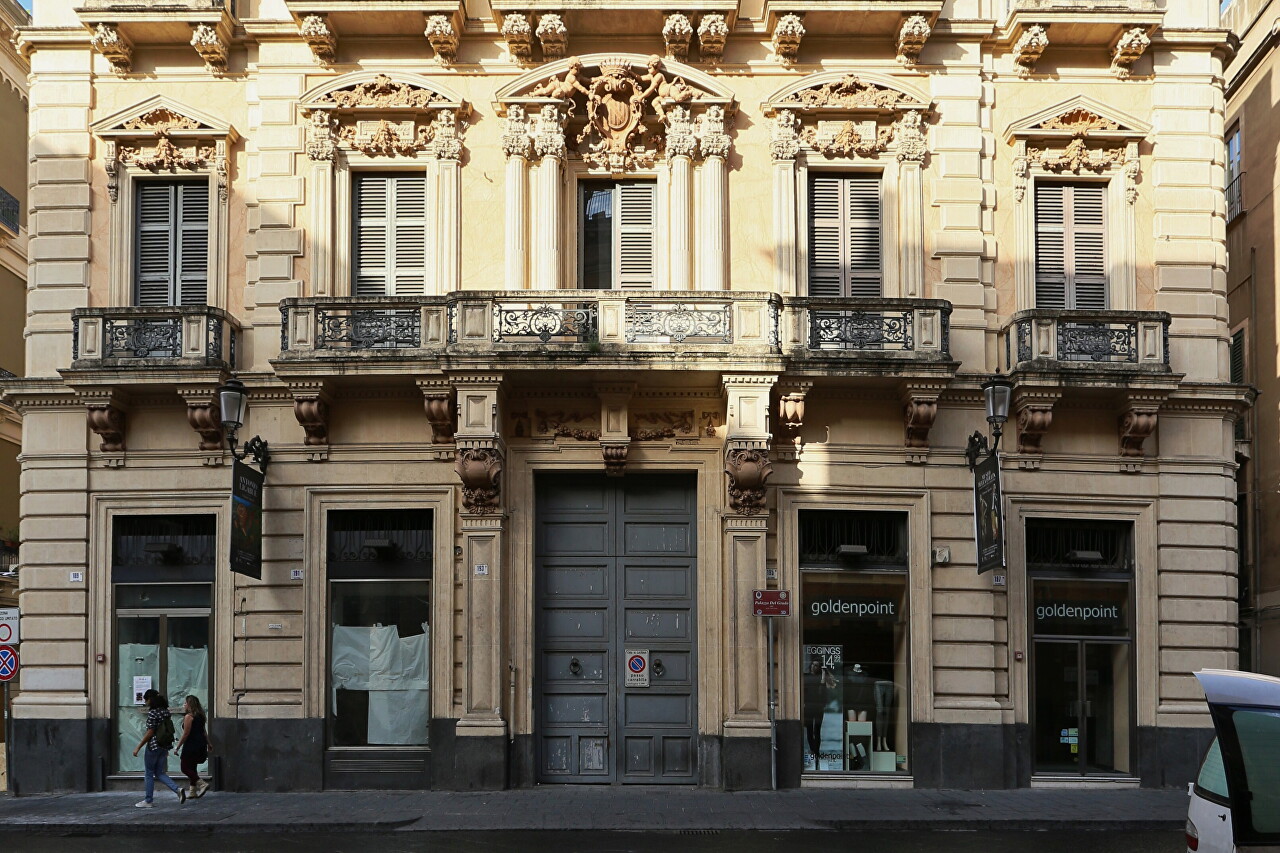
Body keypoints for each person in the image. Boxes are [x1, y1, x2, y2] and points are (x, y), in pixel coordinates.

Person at [131, 689, 186, 808]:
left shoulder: (153, 713)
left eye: (146, 700)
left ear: (150, 699)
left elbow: (150, 732)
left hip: (154, 746)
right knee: (159, 772)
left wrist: (138, 747)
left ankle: (148, 800)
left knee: (149, 773)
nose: (145, 702)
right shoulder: (165, 712)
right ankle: (177, 789)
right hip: (164, 745)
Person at [174, 694, 213, 799]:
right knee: (192, 767)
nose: (184, 705)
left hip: (191, 745)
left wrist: (177, 747)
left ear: (190, 704)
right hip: (200, 744)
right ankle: (192, 791)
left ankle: (202, 784)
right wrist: (209, 743)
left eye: (185, 703)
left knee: (185, 767)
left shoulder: (189, 717)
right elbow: (204, 732)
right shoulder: (200, 716)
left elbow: (186, 734)